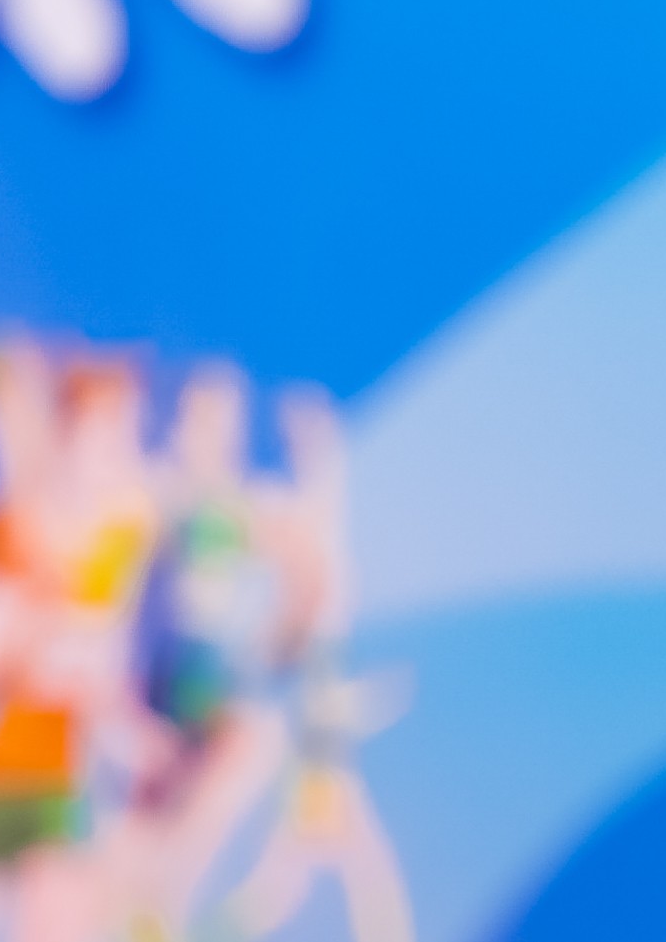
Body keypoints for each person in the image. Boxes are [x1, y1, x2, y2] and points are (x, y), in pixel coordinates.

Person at [0, 353, 165, 942]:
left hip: (66, 781)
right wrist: (32, 631)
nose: (122, 453)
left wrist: (122, 723)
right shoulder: (8, 531)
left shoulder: (119, 547)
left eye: (131, 434)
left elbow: (105, 666)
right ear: (66, 437)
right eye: (107, 434)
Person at [206, 390, 413, 942]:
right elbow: (315, 712)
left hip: (322, 765)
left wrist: (321, 455)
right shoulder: (295, 628)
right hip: (317, 768)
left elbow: (326, 523)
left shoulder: (312, 616)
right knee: (306, 880)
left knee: (311, 879)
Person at [109, 363, 292, 942]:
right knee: (129, 853)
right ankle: (145, 906)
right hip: (154, 689)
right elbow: (117, 604)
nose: (206, 434)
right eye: (195, 418)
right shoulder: (159, 496)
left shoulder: (248, 508)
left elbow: (306, 572)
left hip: (208, 692)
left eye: (221, 422)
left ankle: (162, 901)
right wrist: (127, 713)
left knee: (251, 743)